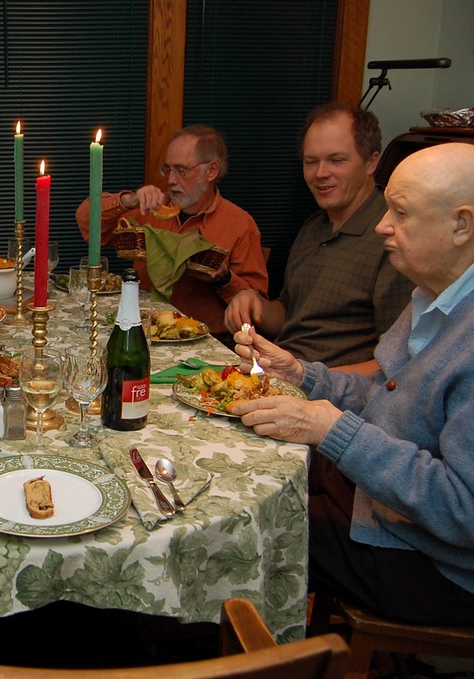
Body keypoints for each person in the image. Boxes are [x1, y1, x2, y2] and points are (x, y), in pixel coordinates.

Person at [230, 143, 474, 624]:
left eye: (400, 214)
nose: (383, 225)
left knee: (250, 531)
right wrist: (301, 374)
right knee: (240, 480)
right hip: (377, 507)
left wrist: (332, 430)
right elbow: (387, 396)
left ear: (462, 225)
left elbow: (463, 511)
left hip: (437, 566)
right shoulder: (434, 295)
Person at [224, 103, 414, 370]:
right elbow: (289, 315)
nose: (320, 173)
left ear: (371, 162)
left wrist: (303, 377)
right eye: (311, 162)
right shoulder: (312, 228)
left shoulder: (392, 237)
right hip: (282, 373)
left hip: (332, 396)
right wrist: (255, 304)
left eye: (336, 160)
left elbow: (399, 363)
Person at [76, 125, 268, 343]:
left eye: (181, 170)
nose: (171, 180)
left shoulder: (239, 224)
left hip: (205, 343)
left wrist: (224, 279)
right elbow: (86, 222)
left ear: (211, 171)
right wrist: (129, 200)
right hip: (144, 333)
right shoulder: (153, 209)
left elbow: (257, 307)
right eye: (168, 169)